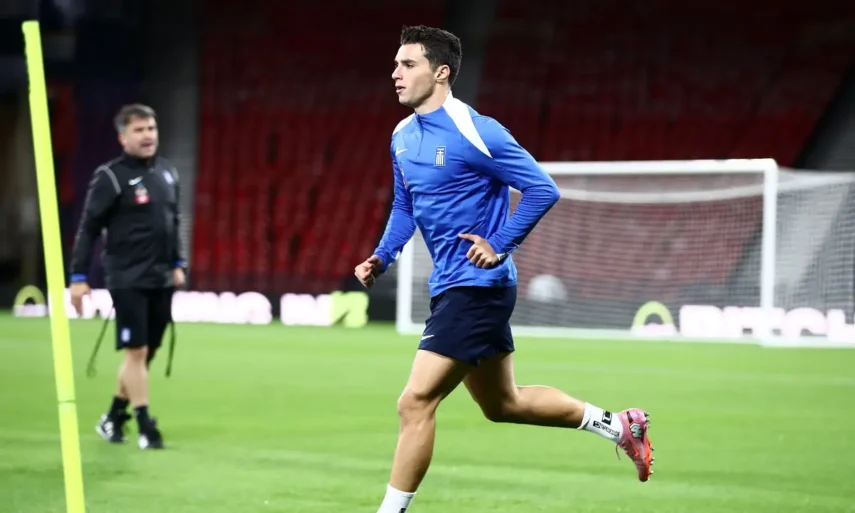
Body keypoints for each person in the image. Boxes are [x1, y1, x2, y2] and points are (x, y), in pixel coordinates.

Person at [354, 26, 654, 512]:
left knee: (414, 401)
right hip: (451, 285)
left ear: (441, 72)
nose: (396, 74)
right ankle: (620, 425)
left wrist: (499, 244)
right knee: (503, 404)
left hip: (479, 287)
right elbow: (406, 205)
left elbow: (542, 189)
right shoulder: (401, 135)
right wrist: (382, 256)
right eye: (395, 64)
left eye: (408, 64)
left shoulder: (478, 131)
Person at [69, 103, 186, 450]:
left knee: (148, 351)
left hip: (161, 277)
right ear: (122, 137)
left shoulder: (167, 172)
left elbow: (173, 220)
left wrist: (178, 263)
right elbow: (89, 228)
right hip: (127, 277)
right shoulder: (110, 177)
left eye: (151, 128)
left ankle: (113, 416)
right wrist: (78, 276)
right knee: (136, 351)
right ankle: (145, 425)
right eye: (139, 130)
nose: (148, 135)